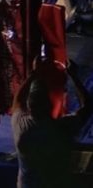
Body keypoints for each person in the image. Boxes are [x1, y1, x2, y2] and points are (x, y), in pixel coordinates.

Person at [12, 57, 92, 188]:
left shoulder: (21, 125)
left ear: (29, 107)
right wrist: (74, 77)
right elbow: (87, 106)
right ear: (50, 105)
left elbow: (17, 101)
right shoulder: (59, 128)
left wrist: (33, 74)